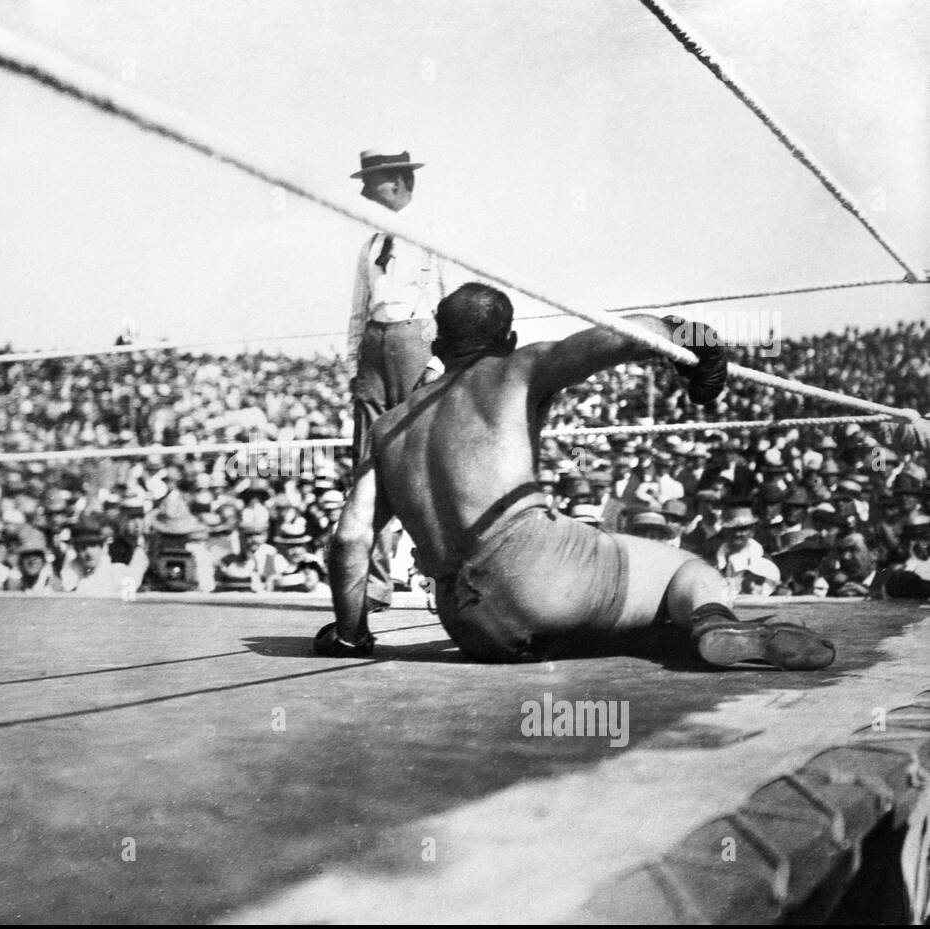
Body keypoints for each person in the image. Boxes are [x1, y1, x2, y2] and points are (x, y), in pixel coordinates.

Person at [315, 282, 835, 670]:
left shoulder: (387, 426)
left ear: (435, 343)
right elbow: (621, 338)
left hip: (465, 619)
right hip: (537, 571)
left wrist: (352, 634)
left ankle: (669, 632)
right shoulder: (517, 368)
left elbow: (350, 539)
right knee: (685, 571)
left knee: (629, 625)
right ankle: (714, 623)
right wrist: (693, 338)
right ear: (510, 337)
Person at [347, 148, 455, 611]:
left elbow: (450, 300)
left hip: (416, 340)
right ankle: (373, 584)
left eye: (370, 184)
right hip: (375, 344)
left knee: (419, 461)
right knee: (368, 460)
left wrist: (439, 362)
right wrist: (356, 364)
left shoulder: (432, 233)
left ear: (393, 182)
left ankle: (437, 576)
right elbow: (357, 308)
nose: (364, 194)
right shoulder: (371, 244)